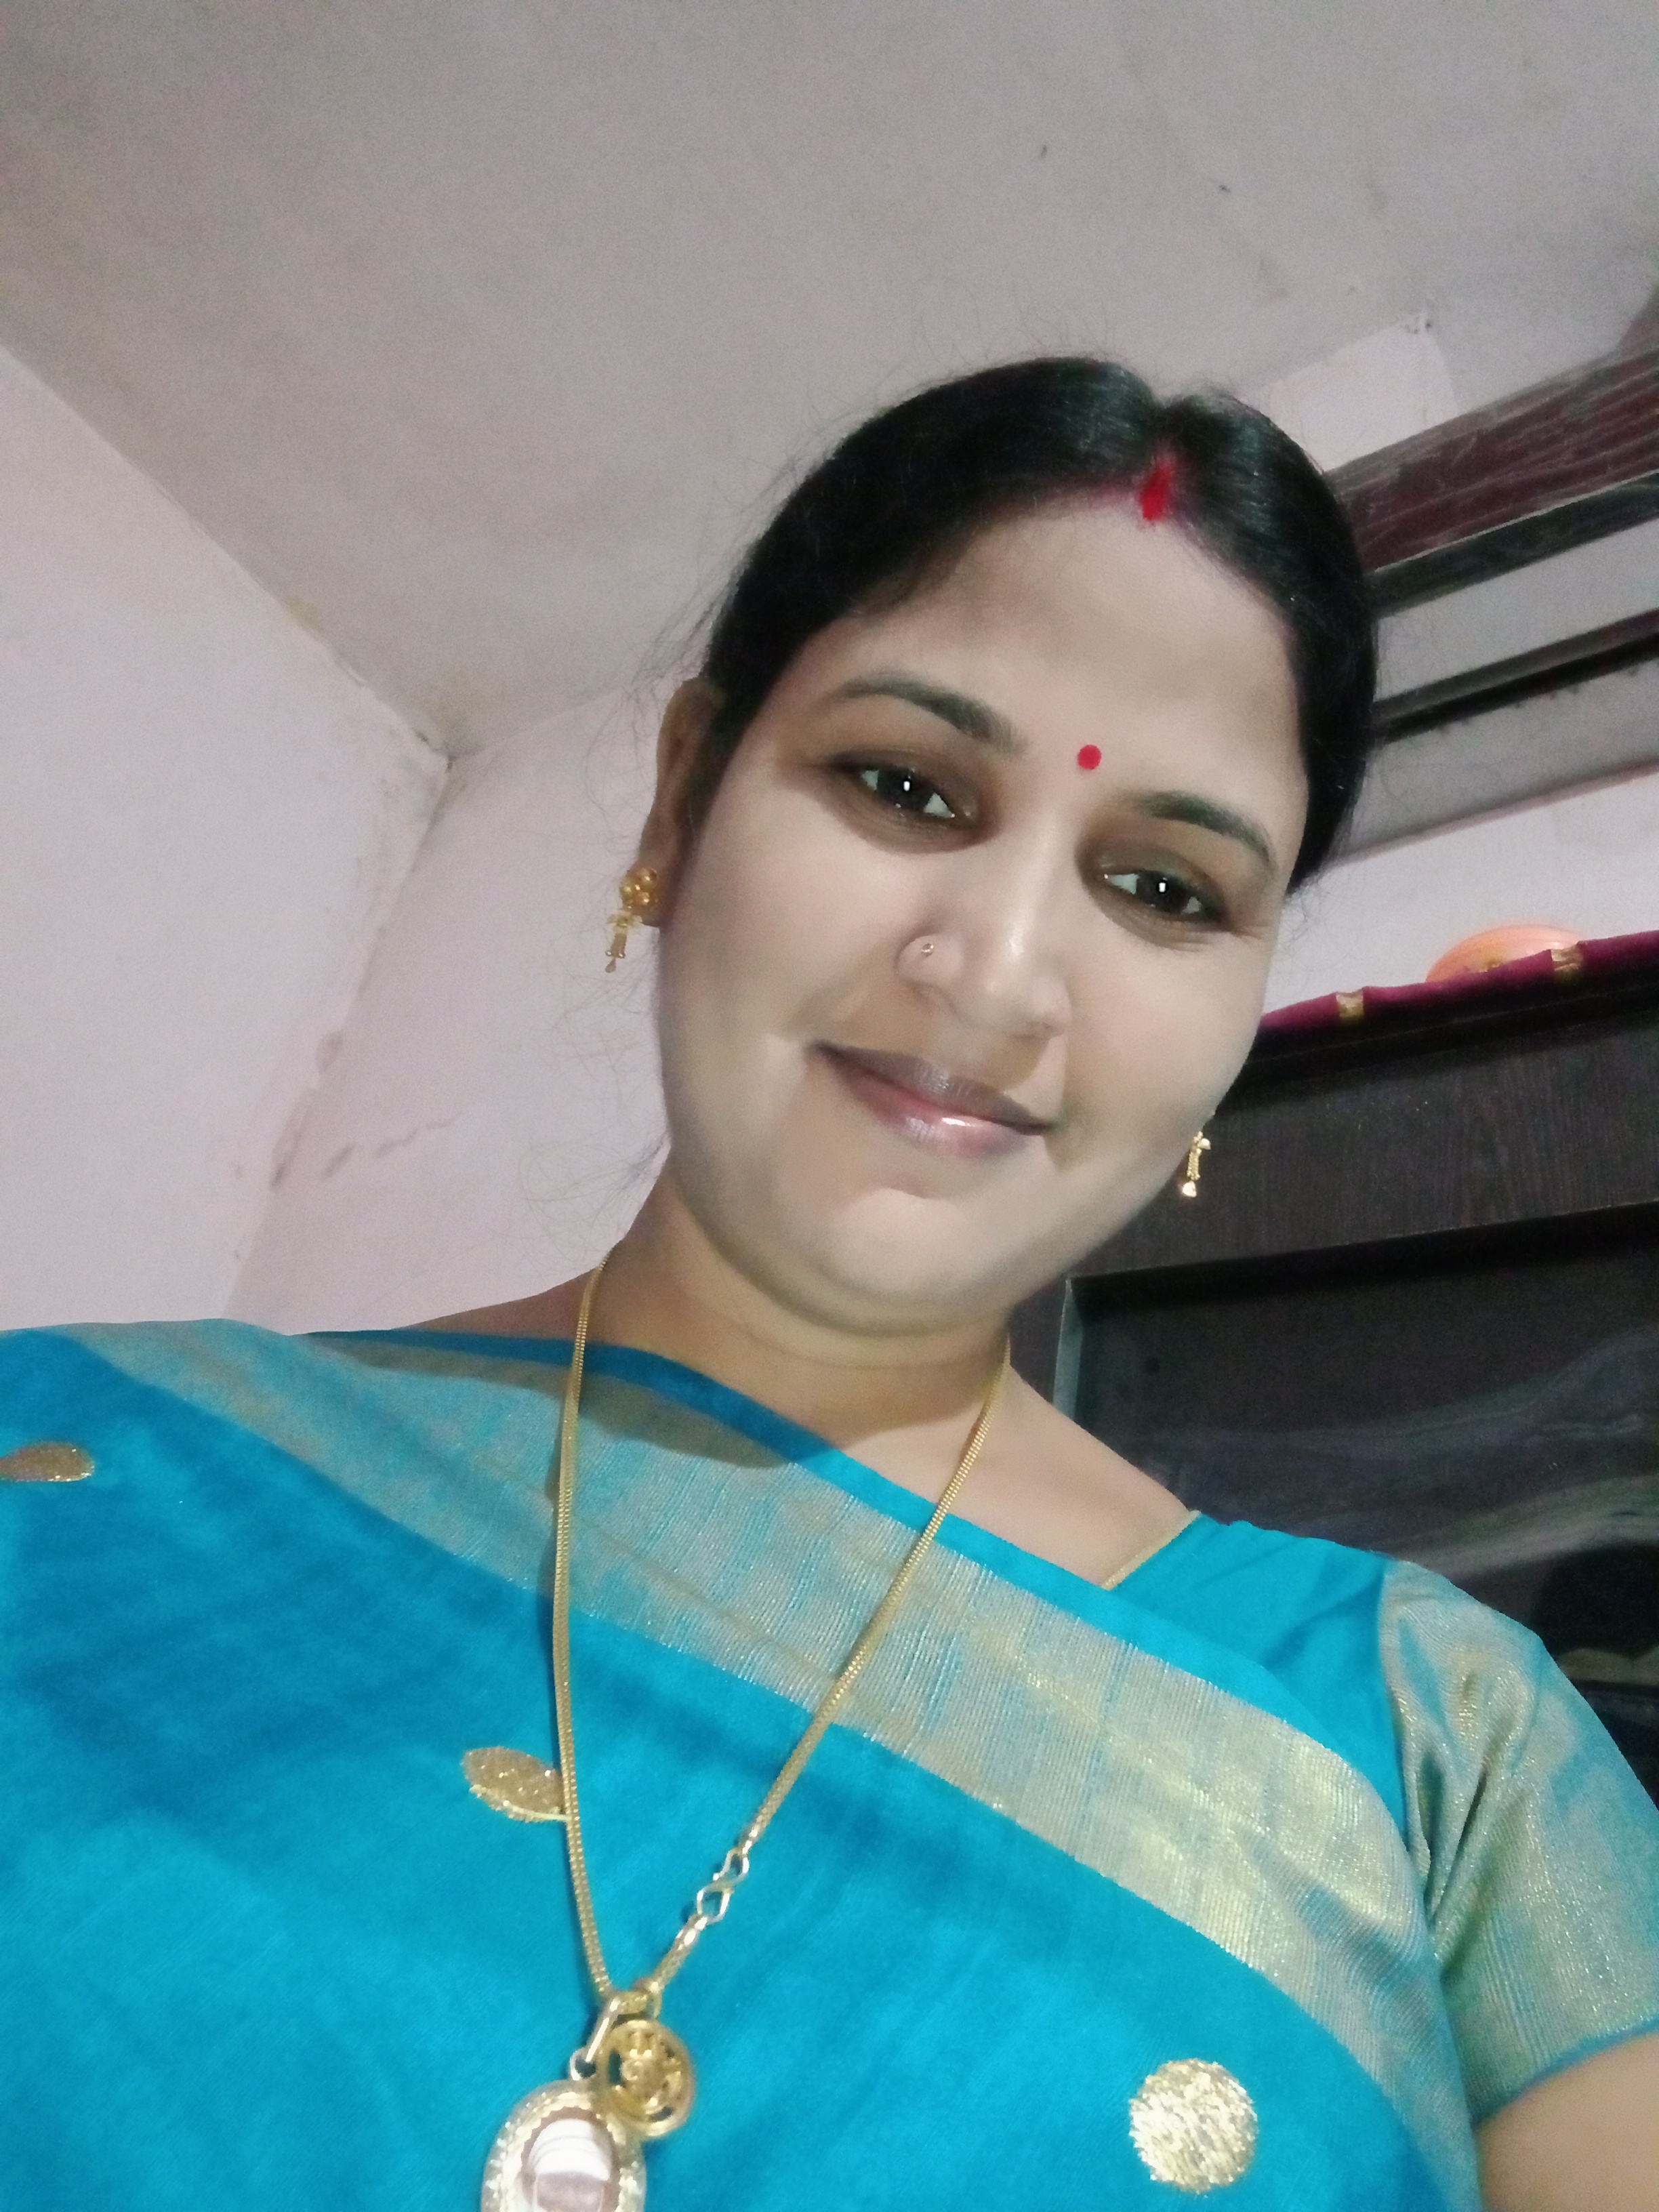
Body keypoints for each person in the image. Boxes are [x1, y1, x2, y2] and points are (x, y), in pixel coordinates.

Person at [3, 358, 1656, 2212]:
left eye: (1167, 890)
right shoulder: (68, 1462)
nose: (998, 972)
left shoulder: (1443, 1761)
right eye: (908, 785)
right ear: (681, 803)